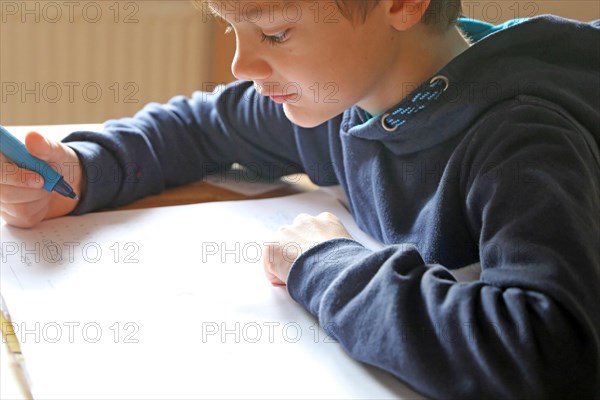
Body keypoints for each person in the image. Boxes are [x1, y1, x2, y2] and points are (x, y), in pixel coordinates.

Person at [1, 0, 599, 397]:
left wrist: (324, 266)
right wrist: (84, 169)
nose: (239, 64)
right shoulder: (344, 101)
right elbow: (200, 126)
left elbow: (547, 354)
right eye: (230, 29)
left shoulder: (524, 140)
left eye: (275, 32)